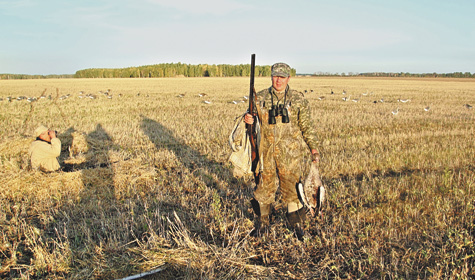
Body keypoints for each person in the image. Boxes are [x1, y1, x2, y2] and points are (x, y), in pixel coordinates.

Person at [244, 62, 319, 240]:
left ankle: (296, 225)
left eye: (282, 77)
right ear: (271, 77)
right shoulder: (260, 97)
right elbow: (252, 124)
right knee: (264, 187)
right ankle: (263, 224)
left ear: (288, 78)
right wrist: (248, 119)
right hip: (266, 153)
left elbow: (307, 126)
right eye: (275, 76)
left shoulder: (298, 99)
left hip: (290, 155)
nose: (278, 80)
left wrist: (313, 148)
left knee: (292, 189)